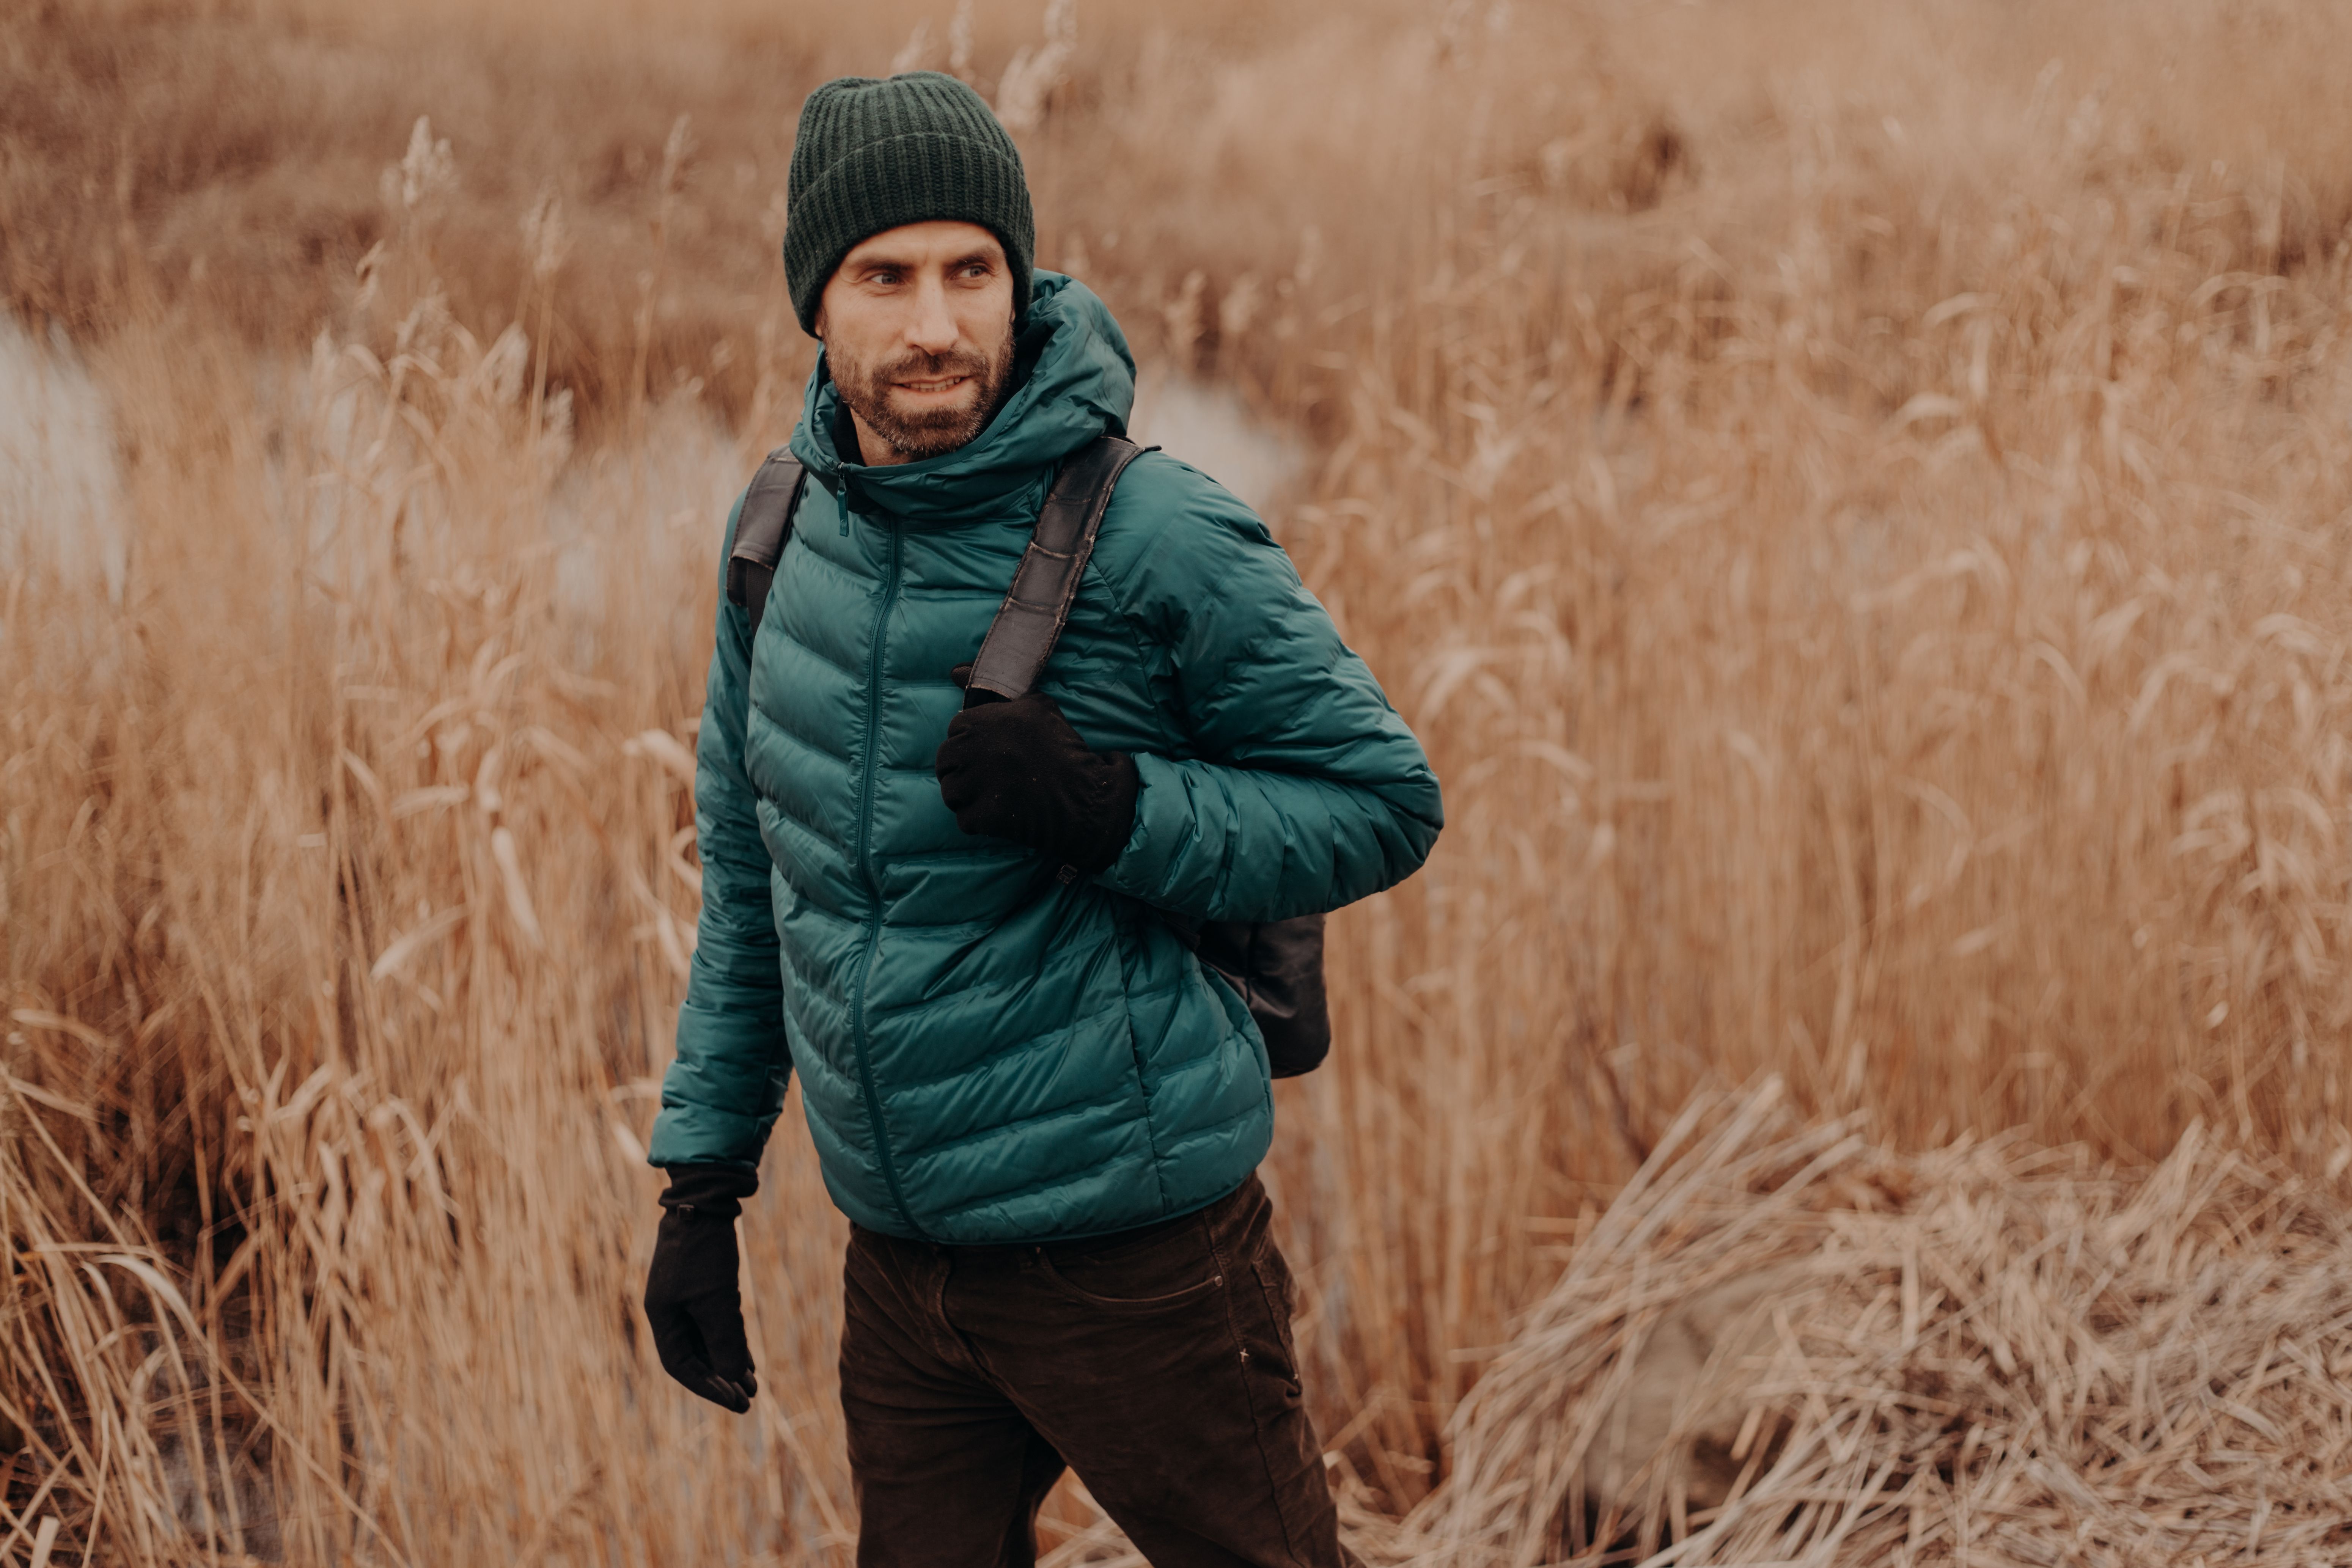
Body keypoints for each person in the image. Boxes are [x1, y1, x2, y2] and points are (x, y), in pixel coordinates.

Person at [641, 70, 1442, 1568]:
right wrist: (703, 1174)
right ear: (815, 302)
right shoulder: (776, 531)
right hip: (899, 1271)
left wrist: (1106, 805)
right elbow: (754, 872)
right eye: (884, 276)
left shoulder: (1154, 530)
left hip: (1133, 1257)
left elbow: (1382, 802)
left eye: (970, 271)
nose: (933, 322)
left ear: (1020, 280)